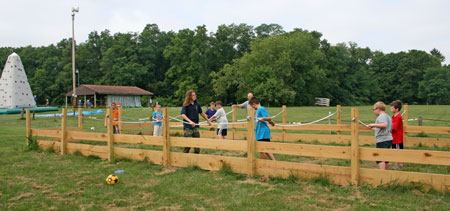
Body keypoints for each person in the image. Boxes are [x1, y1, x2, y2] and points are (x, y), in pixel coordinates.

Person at [368, 101, 393, 170]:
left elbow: (384, 125)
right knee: (386, 158)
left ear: (378, 109)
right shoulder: (387, 116)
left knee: (380, 158)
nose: (374, 111)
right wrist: (375, 128)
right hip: (388, 139)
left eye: (374, 109)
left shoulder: (382, 116)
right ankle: (386, 173)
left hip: (382, 140)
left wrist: (374, 124)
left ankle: (382, 174)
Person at [390, 100, 404, 169]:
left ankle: (397, 165)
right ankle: (400, 164)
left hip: (397, 138)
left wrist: (386, 129)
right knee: (397, 150)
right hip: (394, 137)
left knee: (396, 151)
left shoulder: (398, 117)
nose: (391, 109)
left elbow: (393, 128)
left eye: (392, 108)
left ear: (397, 109)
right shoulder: (394, 116)